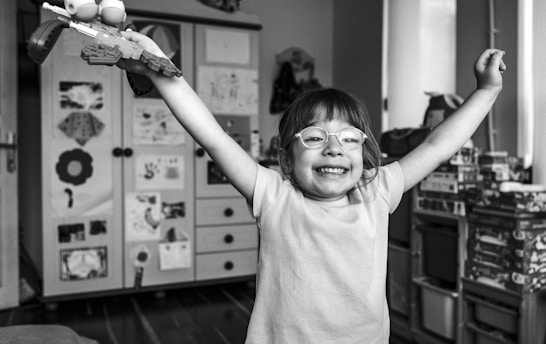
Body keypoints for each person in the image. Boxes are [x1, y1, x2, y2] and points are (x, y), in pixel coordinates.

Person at [118, 30, 506, 344]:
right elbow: (215, 138)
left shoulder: (378, 191)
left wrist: (486, 91)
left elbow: (437, 146)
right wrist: (160, 71)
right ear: (287, 160)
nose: (334, 147)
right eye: (315, 138)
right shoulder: (273, 195)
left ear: (365, 154)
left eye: (349, 139)